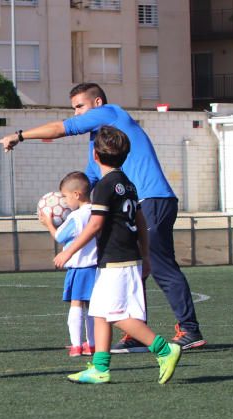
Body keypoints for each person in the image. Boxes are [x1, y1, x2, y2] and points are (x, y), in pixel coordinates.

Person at [0, 82, 205, 351]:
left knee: (160, 266)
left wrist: (19, 135)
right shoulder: (98, 144)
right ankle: (137, 333)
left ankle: (189, 330)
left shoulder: (112, 113)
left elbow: (61, 128)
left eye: (80, 106)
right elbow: (89, 181)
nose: (77, 113)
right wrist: (67, 200)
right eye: (73, 108)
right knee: (135, 270)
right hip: (137, 204)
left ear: (97, 103)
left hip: (152, 200)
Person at [55, 127, 182, 384]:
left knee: (115, 315)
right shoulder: (127, 183)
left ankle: (165, 350)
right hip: (125, 258)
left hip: (116, 260)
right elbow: (140, 217)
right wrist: (145, 255)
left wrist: (68, 250)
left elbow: (95, 225)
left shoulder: (103, 186)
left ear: (95, 155)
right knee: (100, 312)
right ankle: (100, 369)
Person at [39, 172, 97, 357]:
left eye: (64, 196)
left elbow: (60, 236)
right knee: (93, 307)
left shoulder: (76, 217)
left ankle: (76, 345)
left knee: (76, 305)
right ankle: (92, 344)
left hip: (80, 267)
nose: (63, 202)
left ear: (77, 194)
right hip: (97, 266)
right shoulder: (97, 211)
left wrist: (49, 223)